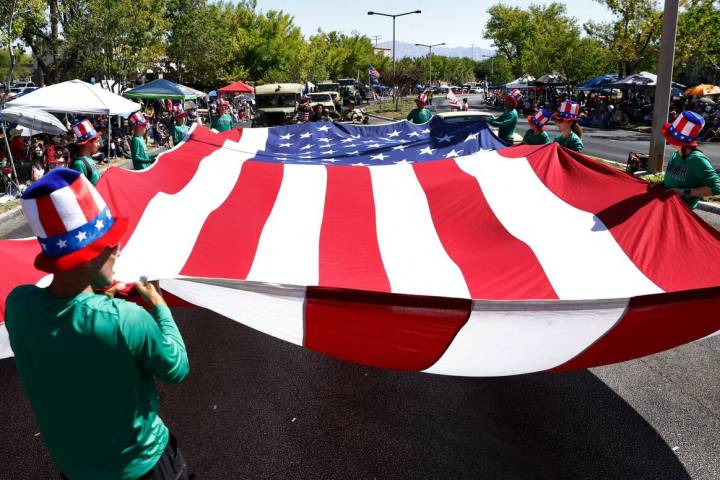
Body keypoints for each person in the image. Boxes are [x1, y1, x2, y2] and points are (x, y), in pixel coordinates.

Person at [6, 168, 190, 480]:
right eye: (111, 243)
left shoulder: (18, 305)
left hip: (75, 470)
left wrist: (95, 294)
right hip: (144, 466)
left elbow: (66, 314)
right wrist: (158, 304)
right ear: (89, 255)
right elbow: (177, 368)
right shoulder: (125, 319)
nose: (118, 248)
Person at [662, 111, 720, 209]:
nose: (667, 139)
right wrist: (660, 185)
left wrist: (683, 192)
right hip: (666, 207)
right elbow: (674, 181)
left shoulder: (697, 159)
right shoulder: (675, 154)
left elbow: (716, 187)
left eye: (670, 137)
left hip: (682, 212)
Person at [68, 119, 101, 185]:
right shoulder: (79, 164)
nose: (99, 145)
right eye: (97, 142)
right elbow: (80, 189)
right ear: (88, 143)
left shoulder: (89, 157)